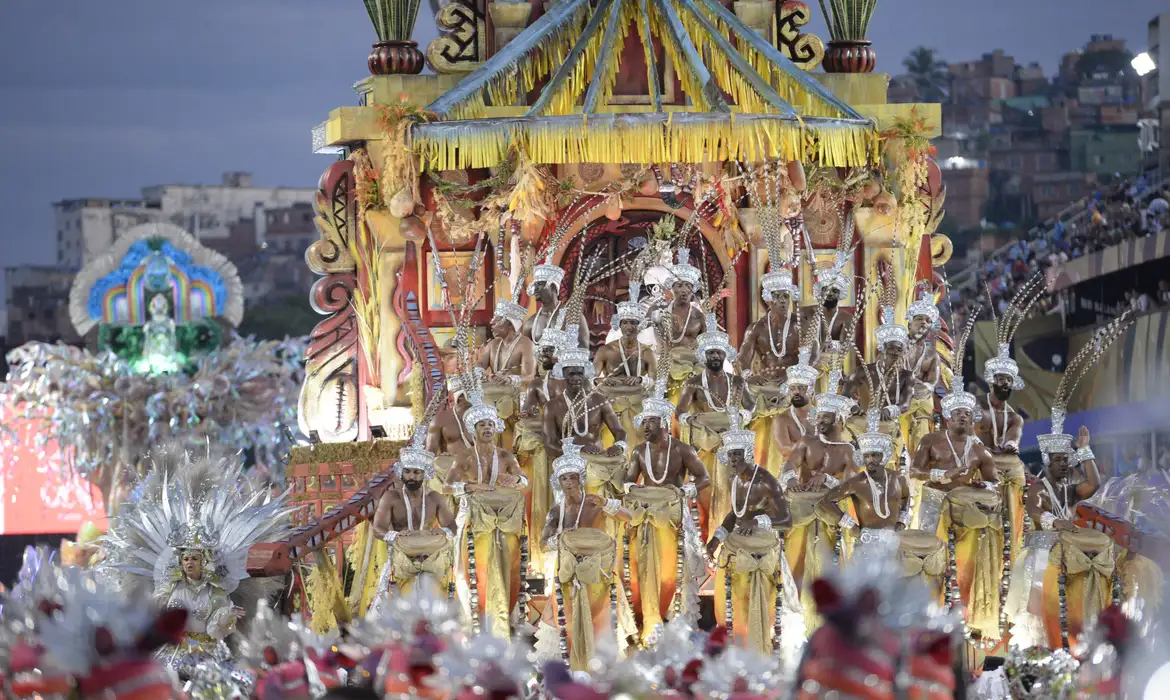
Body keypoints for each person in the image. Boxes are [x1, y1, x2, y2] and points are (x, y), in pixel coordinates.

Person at [100, 447, 291, 678]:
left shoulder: (215, 592)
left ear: (204, 562)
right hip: (174, 656)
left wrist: (226, 617)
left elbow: (216, 628)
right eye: (186, 558)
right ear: (180, 562)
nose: (190, 562)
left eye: (195, 558)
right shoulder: (168, 590)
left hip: (208, 656)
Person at [911, 377, 1002, 641]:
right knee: (930, 561)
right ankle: (927, 616)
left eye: (967, 414)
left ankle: (964, 617)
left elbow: (995, 482)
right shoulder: (930, 440)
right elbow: (914, 471)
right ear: (947, 419)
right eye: (957, 413)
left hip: (965, 514)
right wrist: (944, 473)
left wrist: (981, 483)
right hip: (933, 504)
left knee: (963, 565)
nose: (962, 417)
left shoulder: (980, 451)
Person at [1005, 422, 1106, 650]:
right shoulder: (1039, 487)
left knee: (1065, 608)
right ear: (1048, 461)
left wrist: (1084, 450)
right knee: (1038, 612)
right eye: (1059, 459)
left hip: (1065, 555)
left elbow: (1094, 483)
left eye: (1066, 459)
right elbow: (1034, 511)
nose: (1064, 464)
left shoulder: (1070, 490)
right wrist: (1056, 521)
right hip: (1040, 557)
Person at [623, 381, 709, 642]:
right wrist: (631, 491)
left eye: (650, 421)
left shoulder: (683, 450)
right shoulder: (639, 451)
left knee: (677, 571)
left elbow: (704, 478)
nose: (645, 426)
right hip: (646, 515)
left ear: (662, 422)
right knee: (642, 569)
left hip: (674, 516)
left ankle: (677, 625)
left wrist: (685, 492)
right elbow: (627, 482)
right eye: (643, 422)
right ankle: (644, 620)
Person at [536, 440, 633, 671]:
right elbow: (542, 545)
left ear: (580, 479)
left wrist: (607, 503)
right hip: (567, 572)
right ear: (557, 482)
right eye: (564, 478)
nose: (569, 483)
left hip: (598, 571)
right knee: (567, 620)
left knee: (600, 618)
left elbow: (629, 517)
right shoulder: (556, 511)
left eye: (572, 477)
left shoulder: (594, 502)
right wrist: (561, 538)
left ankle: (601, 665)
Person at [704, 418, 797, 654]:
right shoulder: (734, 479)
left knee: (759, 608)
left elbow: (787, 520)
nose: (733, 460)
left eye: (737, 455)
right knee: (730, 606)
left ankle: (760, 650)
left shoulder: (766, 482)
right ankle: (734, 650)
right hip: (736, 548)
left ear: (747, 453)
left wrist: (757, 521)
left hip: (763, 547)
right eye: (730, 455)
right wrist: (717, 537)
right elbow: (735, 514)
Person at [447, 389, 529, 637]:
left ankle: (506, 614)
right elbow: (446, 485)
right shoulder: (464, 457)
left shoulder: (505, 456)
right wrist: (470, 486)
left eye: (490, 425)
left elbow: (524, 481)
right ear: (474, 430)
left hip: (503, 518)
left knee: (509, 564)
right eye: (482, 425)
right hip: (472, 519)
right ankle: (473, 618)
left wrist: (513, 479)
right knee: (469, 570)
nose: (487, 429)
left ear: (497, 428)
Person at [781, 365, 857, 621]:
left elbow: (852, 485)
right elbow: (789, 465)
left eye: (827, 417)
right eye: (820, 416)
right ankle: (794, 614)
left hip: (830, 514)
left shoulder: (847, 450)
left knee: (828, 566)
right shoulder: (807, 442)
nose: (821, 421)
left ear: (840, 420)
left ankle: (826, 617)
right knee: (795, 560)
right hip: (801, 511)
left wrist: (827, 479)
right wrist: (791, 480)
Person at [677, 313, 755, 536]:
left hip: (732, 444)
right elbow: (680, 411)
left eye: (718, 352)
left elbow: (751, 407)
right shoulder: (693, 382)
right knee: (709, 490)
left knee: (733, 488)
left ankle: (730, 532)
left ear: (724, 355)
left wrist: (742, 416)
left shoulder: (737, 381)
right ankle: (707, 534)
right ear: (703, 355)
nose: (714, 356)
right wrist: (688, 419)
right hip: (705, 443)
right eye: (710, 352)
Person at [369, 430, 457, 607]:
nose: (411, 477)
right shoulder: (392, 497)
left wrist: (443, 531)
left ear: (425, 474)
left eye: (417, 472)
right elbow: (378, 528)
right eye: (408, 472)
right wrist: (395, 536)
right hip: (401, 560)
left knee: (440, 608)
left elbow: (452, 527)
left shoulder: (435, 497)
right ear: (401, 472)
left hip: (431, 558)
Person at [739, 267, 808, 478]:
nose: (783, 301)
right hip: (764, 384)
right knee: (747, 395)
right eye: (778, 297)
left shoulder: (800, 326)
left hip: (792, 381)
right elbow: (743, 359)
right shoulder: (756, 328)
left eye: (786, 296)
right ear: (769, 299)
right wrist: (749, 375)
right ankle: (761, 469)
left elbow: (810, 355)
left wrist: (793, 376)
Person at [543, 342, 628, 505]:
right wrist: (579, 450)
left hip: (598, 464)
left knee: (598, 511)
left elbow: (619, 431)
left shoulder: (599, 400)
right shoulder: (552, 406)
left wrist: (619, 445)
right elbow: (549, 445)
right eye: (571, 374)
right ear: (563, 374)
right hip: (569, 468)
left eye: (580, 374)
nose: (576, 378)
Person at [845, 307, 914, 467]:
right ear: (882, 348)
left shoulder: (906, 376)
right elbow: (845, 394)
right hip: (861, 424)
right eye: (891, 348)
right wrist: (853, 408)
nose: (895, 353)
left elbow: (905, 404)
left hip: (889, 424)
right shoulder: (864, 370)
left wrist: (890, 410)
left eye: (899, 349)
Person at [593, 281, 656, 443]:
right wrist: (600, 380)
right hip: (611, 406)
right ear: (619, 325)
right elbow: (590, 379)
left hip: (637, 405)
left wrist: (640, 379)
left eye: (633, 323)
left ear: (639, 326)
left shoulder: (647, 353)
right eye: (625, 322)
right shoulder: (605, 351)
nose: (629, 327)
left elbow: (656, 382)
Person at [904, 289, 943, 456]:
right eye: (919, 319)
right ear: (909, 324)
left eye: (928, 321)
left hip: (921, 402)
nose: (923, 323)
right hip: (898, 401)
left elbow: (932, 382)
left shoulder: (932, 355)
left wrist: (924, 387)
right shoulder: (896, 347)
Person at [771, 346, 819, 480]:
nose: (796, 392)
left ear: (810, 390)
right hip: (793, 473)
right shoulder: (782, 419)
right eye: (792, 388)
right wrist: (817, 449)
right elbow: (785, 449)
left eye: (801, 388)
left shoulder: (823, 416)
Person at [523, 260, 590, 350]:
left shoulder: (572, 317)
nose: (535, 289)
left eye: (539, 284)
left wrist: (558, 356)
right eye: (535, 285)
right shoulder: (530, 322)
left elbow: (584, 347)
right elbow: (525, 352)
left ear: (553, 287)